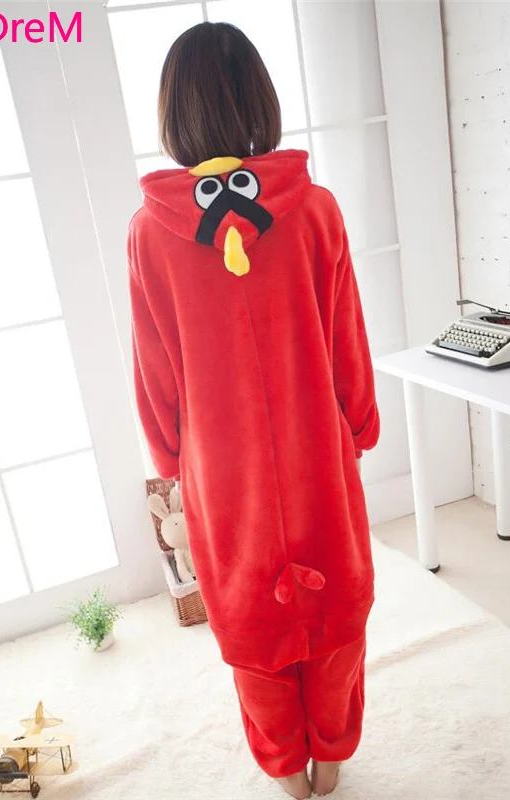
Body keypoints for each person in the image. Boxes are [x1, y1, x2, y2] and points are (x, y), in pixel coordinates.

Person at [128, 21, 379, 799]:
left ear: (175, 114)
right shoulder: (316, 209)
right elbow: (346, 335)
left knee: (248, 620)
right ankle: (330, 756)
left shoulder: (150, 233)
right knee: (334, 610)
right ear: (260, 102)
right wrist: (359, 422)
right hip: (317, 455)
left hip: (220, 469)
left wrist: (169, 454)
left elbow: (153, 362)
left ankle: (286, 769)